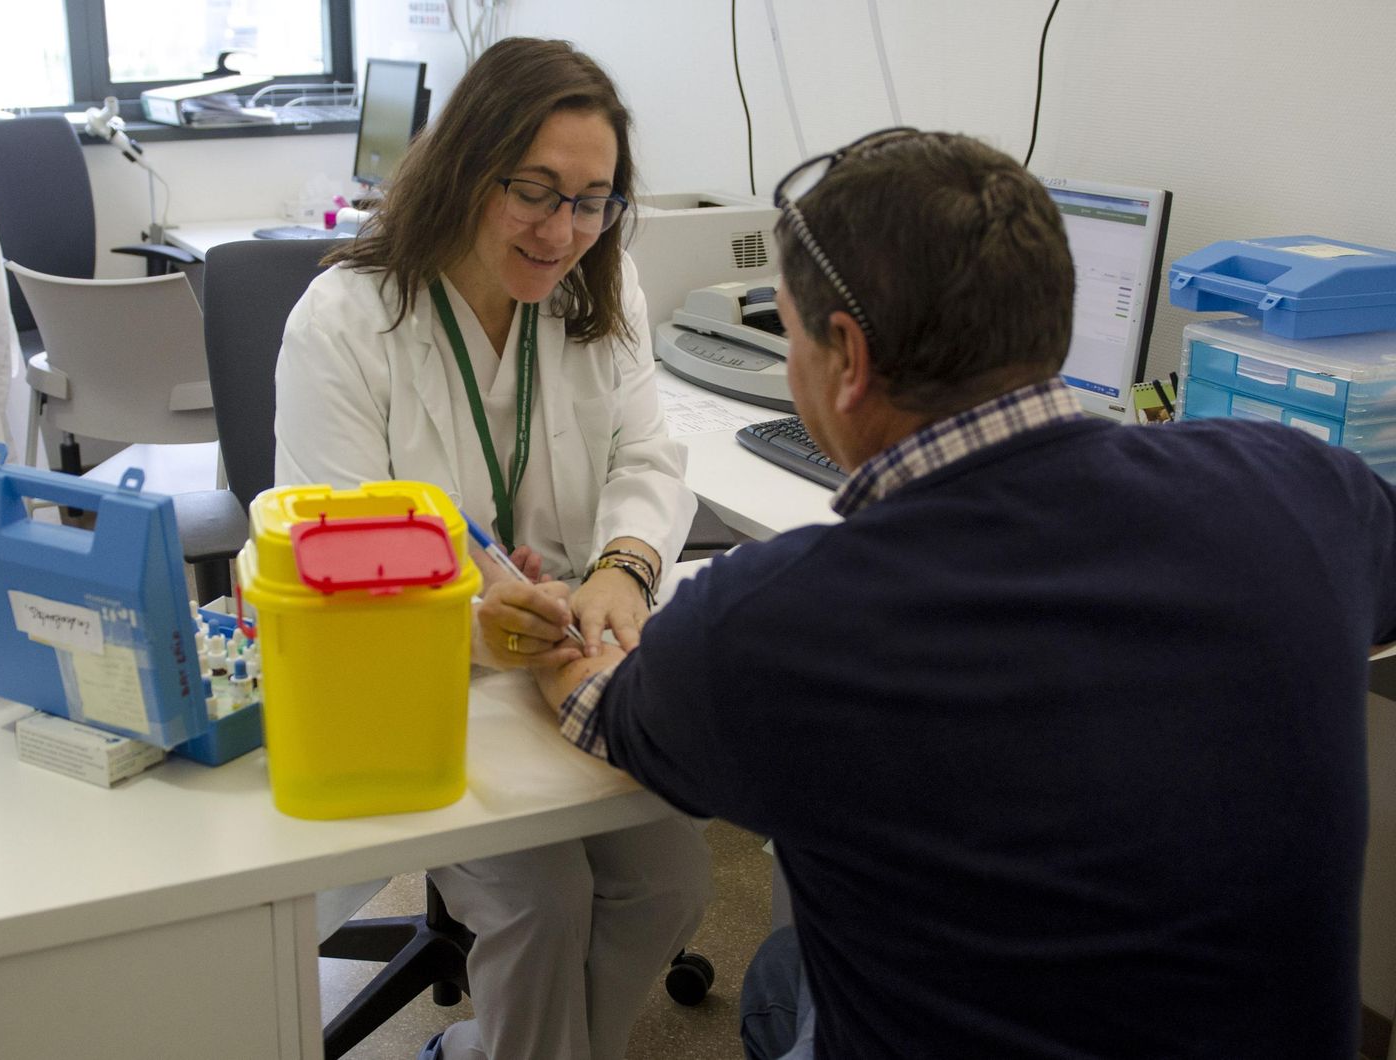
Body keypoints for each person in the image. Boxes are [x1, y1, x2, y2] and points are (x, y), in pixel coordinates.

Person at [483, 127, 1396, 1057]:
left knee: (778, 978)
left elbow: (604, 707)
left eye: (788, 337)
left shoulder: (776, 622)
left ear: (849, 357)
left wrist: (562, 636)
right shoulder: (1309, 490)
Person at [273, 37, 712, 1060]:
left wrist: (623, 568)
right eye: (536, 191)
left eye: (592, 198)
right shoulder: (345, 324)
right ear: (470, 166)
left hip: (572, 659)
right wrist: (469, 623)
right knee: (546, 898)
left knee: (676, 879)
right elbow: (327, 558)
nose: (563, 230)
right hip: (419, 681)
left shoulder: (601, 290)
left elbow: (647, 451)